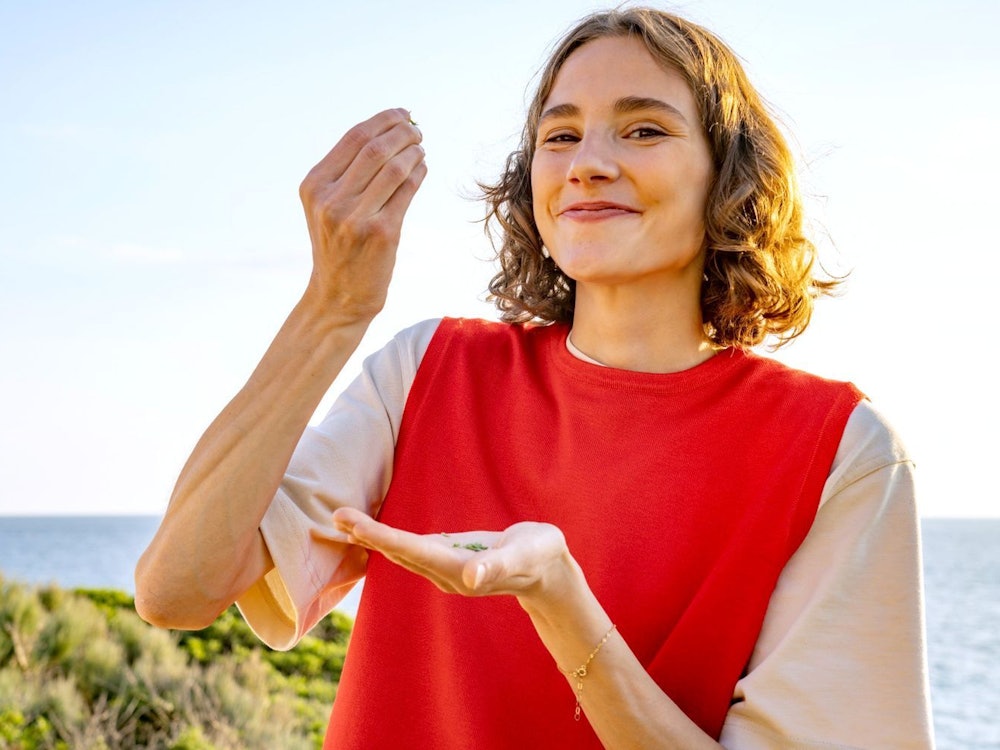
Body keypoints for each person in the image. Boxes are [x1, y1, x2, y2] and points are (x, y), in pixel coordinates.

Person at [135, 7, 934, 749]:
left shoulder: (841, 455)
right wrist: (334, 308)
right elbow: (177, 588)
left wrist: (560, 599)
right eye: (560, 137)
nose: (587, 164)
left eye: (644, 129)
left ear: (731, 177)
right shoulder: (425, 372)